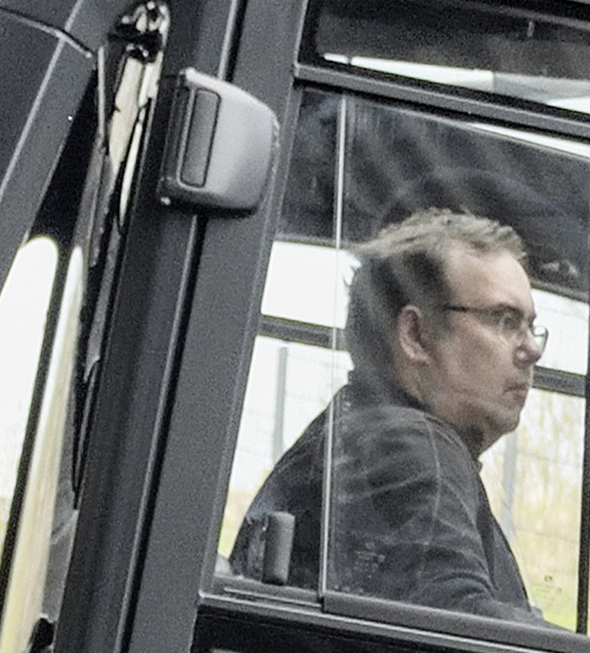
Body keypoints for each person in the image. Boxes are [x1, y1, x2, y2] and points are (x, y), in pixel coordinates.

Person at [226, 209, 544, 618]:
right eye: (504, 320)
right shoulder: (409, 445)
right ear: (416, 335)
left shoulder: (359, 433)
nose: (531, 349)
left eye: (532, 327)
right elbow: (464, 634)